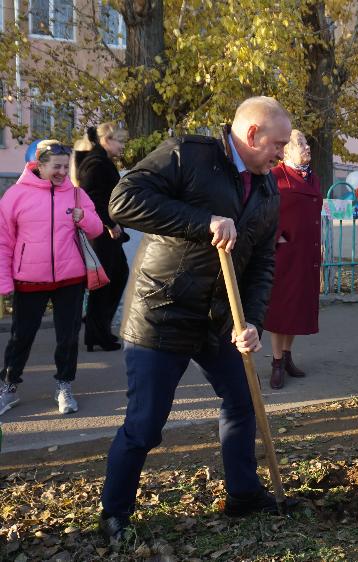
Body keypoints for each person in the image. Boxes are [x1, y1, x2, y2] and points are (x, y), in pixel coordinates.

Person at [99, 97, 296, 540]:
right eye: (277, 144)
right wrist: (203, 220)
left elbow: (263, 262)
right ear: (252, 135)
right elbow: (123, 201)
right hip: (162, 310)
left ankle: (243, 495)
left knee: (243, 402)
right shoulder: (189, 154)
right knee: (146, 422)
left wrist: (253, 323)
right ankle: (115, 513)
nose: (282, 153)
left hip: (220, 317)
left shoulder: (266, 189)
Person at [0, 140, 103, 416]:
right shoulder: (15, 195)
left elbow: (96, 230)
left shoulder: (77, 195)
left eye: (65, 166)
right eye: (56, 166)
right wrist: (4, 281)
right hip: (29, 280)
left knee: (68, 338)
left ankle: (64, 386)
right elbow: (3, 241)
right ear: (39, 165)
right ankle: (9, 388)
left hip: (70, 279)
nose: (61, 171)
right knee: (21, 336)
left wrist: (83, 218)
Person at [265, 130, 322, 389]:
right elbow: (263, 213)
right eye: (301, 143)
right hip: (285, 256)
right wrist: (281, 239)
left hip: (307, 255)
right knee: (281, 309)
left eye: (307, 142)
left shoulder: (312, 178)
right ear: (285, 151)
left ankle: (287, 357)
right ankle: (276, 363)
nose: (307, 147)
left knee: (298, 308)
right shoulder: (275, 177)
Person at [74, 123, 130, 352]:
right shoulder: (96, 163)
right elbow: (92, 199)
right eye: (120, 141)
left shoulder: (99, 161)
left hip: (106, 232)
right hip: (102, 232)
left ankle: (98, 328)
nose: (122, 146)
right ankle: (98, 332)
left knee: (114, 277)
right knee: (106, 281)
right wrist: (110, 224)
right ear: (106, 140)